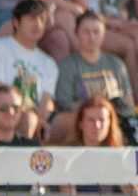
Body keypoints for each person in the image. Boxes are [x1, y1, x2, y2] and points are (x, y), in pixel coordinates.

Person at [0, 0, 60, 134]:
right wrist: (31, 116)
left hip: (31, 122)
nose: (38, 24)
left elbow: (46, 102)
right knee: (28, 119)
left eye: (42, 19)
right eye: (31, 18)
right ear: (16, 22)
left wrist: (40, 119)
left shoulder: (49, 63)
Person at [52, 12, 137, 141]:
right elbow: (65, 104)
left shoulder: (116, 64)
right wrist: (95, 110)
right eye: (86, 32)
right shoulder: (67, 65)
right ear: (77, 33)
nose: (91, 37)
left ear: (103, 34)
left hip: (115, 119)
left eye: (96, 32)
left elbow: (128, 103)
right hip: (83, 122)